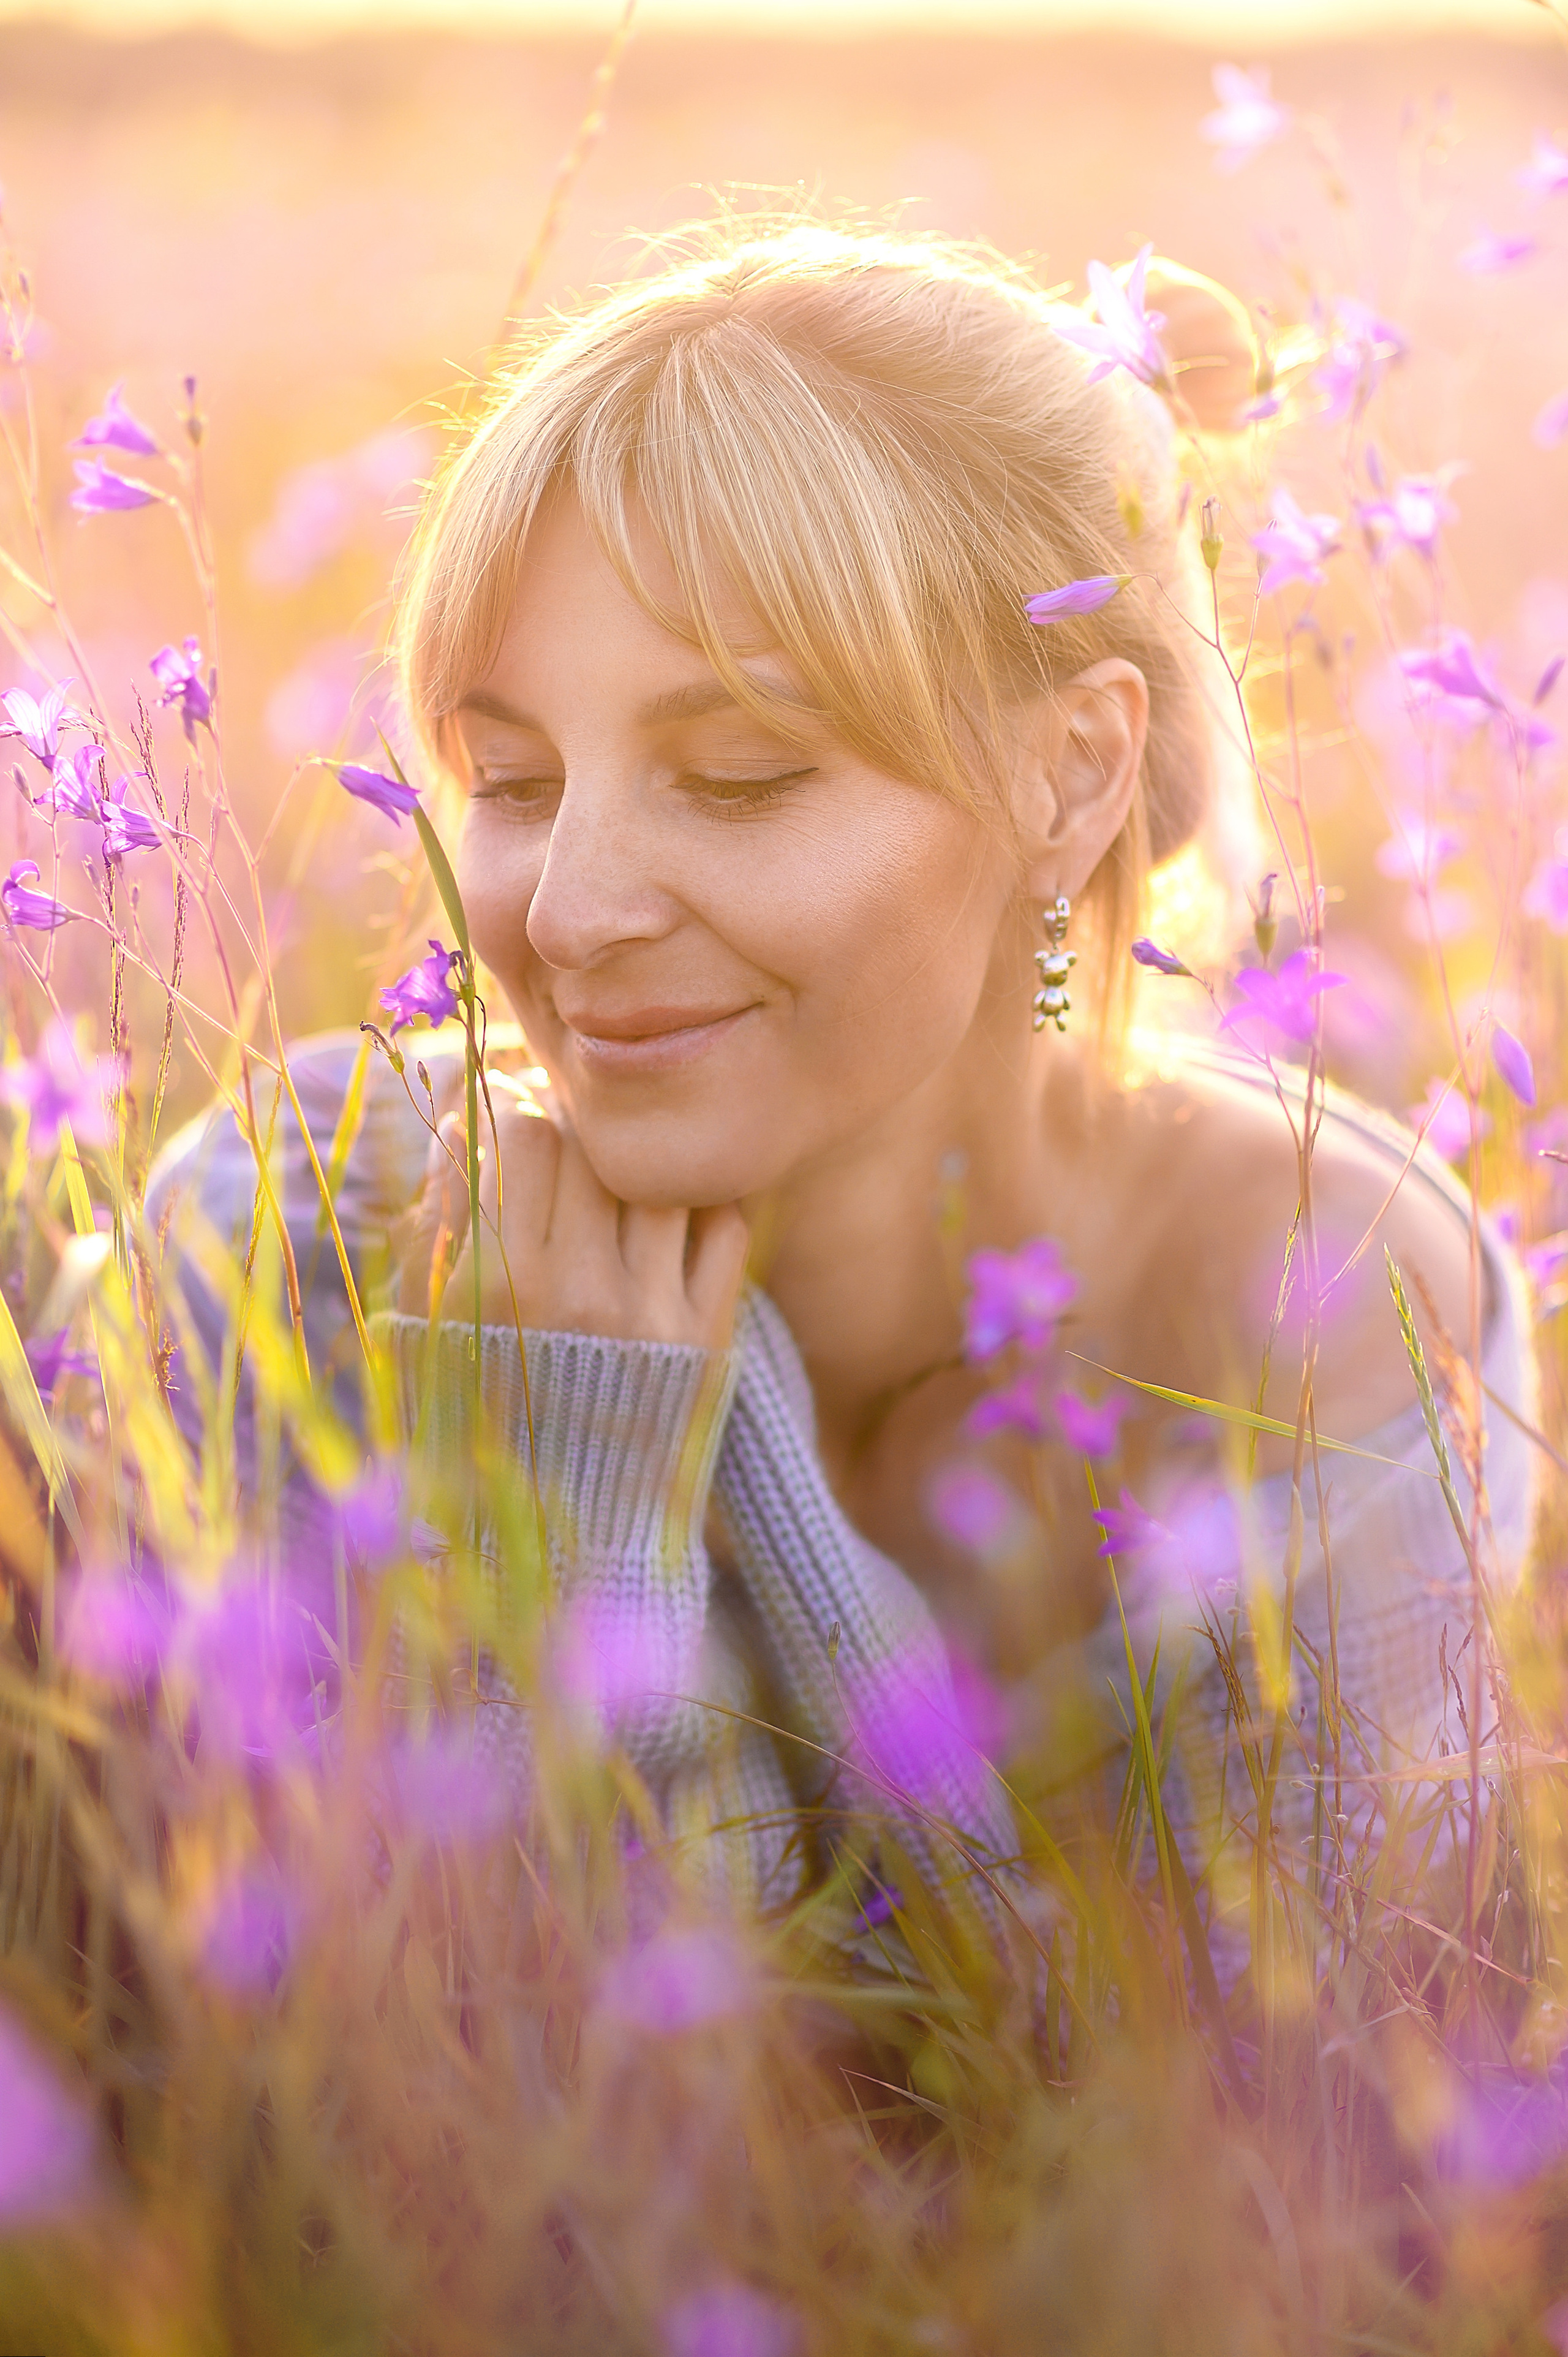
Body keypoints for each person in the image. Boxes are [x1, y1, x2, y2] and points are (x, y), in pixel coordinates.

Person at [152, 224, 1535, 1956]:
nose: (570, 912)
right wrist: (581, 1500)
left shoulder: (1316, 1297)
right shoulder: (298, 1241)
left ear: (1070, 771)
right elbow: (419, 2123)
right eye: (512, 778)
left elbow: (1275, 2120)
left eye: (735, 777)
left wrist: (715, 1511)